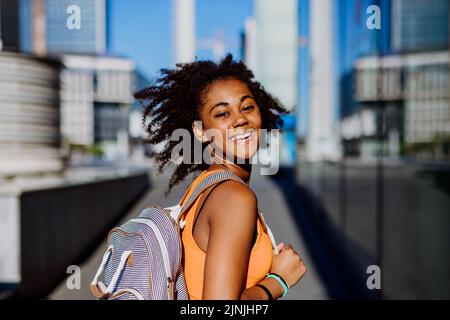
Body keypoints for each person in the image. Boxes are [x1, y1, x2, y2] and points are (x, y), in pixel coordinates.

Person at [134, 54, 306, 300]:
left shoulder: (204, 186)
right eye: (222, 114)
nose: (240, 119)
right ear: (200, 131)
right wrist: (278, 281)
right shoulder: (234, 197)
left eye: (247, 107)